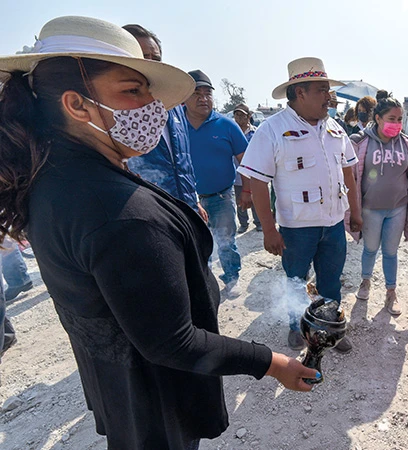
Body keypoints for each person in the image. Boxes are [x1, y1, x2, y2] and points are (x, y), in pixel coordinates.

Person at [0, 16, 317, 449]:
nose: (152, 106)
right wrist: (272, 362)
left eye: (150, 91)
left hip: (119, 386)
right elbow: (175, 341)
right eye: (132, 90)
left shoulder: (54, 177)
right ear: (77, 105)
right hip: (157, 400)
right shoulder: (119, 214)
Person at [239, 57, 362, 351]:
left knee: (331, 281)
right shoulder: (271, 130)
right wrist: (269, 230)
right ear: (300, 93)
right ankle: (297, 326)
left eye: (328, 90)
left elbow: (348, 171)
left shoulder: (334, 128)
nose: (329, 97)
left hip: (332, 224)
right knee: (295, 280)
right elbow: (258, 183)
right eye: (322, 90)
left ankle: (330, 328)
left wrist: (354, 212)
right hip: (296, 228)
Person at [121, 24, 208, 222]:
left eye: (156, 58)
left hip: (186, 209)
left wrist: (194, 200)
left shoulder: (175, 104)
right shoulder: (113, 110)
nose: (150, 64)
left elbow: (184, 160)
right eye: (143, 57)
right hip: (146, 216)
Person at [348, 91, 408, 315]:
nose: (397, 124)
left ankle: (391, 293)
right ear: (377, 118)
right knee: (370, 249)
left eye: (400, 119)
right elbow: (351, 178)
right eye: (392, 119)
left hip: (398, 208)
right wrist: (354, 212)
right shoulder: (360, 142)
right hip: (370, 210)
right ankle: (366, 282)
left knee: (390, 252)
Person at [186, 70, 249, 297]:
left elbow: (247, 161)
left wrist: (247, 191)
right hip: (187, 200)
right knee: (196, 244)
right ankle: (204, 281)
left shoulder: (226, 125)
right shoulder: (175, 125)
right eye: (196, 93)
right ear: (184, 96)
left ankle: (232, 278)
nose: (203, 98)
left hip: (221, 196)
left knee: (226, 240)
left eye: (207, 93)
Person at [231, 103, 261, 232]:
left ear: (249, 116)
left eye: (241, 115)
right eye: (236, 115)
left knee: (256, 198)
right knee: (240, 200)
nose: (238, 118)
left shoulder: (256, 132)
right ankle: (243, 224)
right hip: (238, 174)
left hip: (254, 173)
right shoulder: (231, 132)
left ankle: (259, 222)